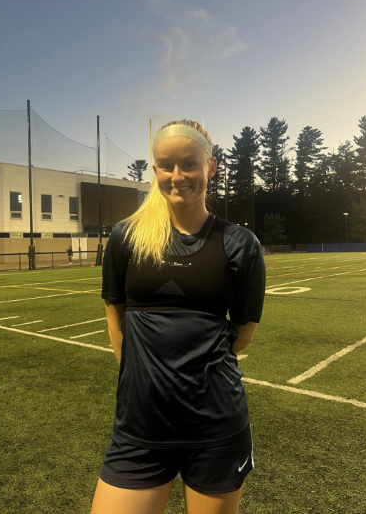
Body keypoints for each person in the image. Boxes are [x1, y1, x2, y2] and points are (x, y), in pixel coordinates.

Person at [91, 119, 266, 514]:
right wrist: (148, 382)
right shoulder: (126, 237)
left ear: (211, 167)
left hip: (216, 428)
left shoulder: (240, 244)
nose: (177, 175)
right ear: (154, 171)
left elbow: (243, 334)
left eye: (189, 163)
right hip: (139, 428)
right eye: (165, 165)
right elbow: (115, 324)